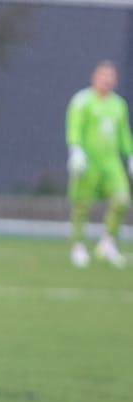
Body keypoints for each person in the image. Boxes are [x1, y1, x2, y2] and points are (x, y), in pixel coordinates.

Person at [66, 59, 133, 269]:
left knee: (122, 200)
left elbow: (123, 134)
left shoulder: (119, 105)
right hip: (88, 162)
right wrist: (75, 150)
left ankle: (107, 243)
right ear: (94, 77)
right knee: (81, 205)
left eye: (110, 76)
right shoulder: (82, 101)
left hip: (111, 163)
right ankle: (77, 246)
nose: (106, 80)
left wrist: (130, 154)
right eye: (103, 75)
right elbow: (74, 127)